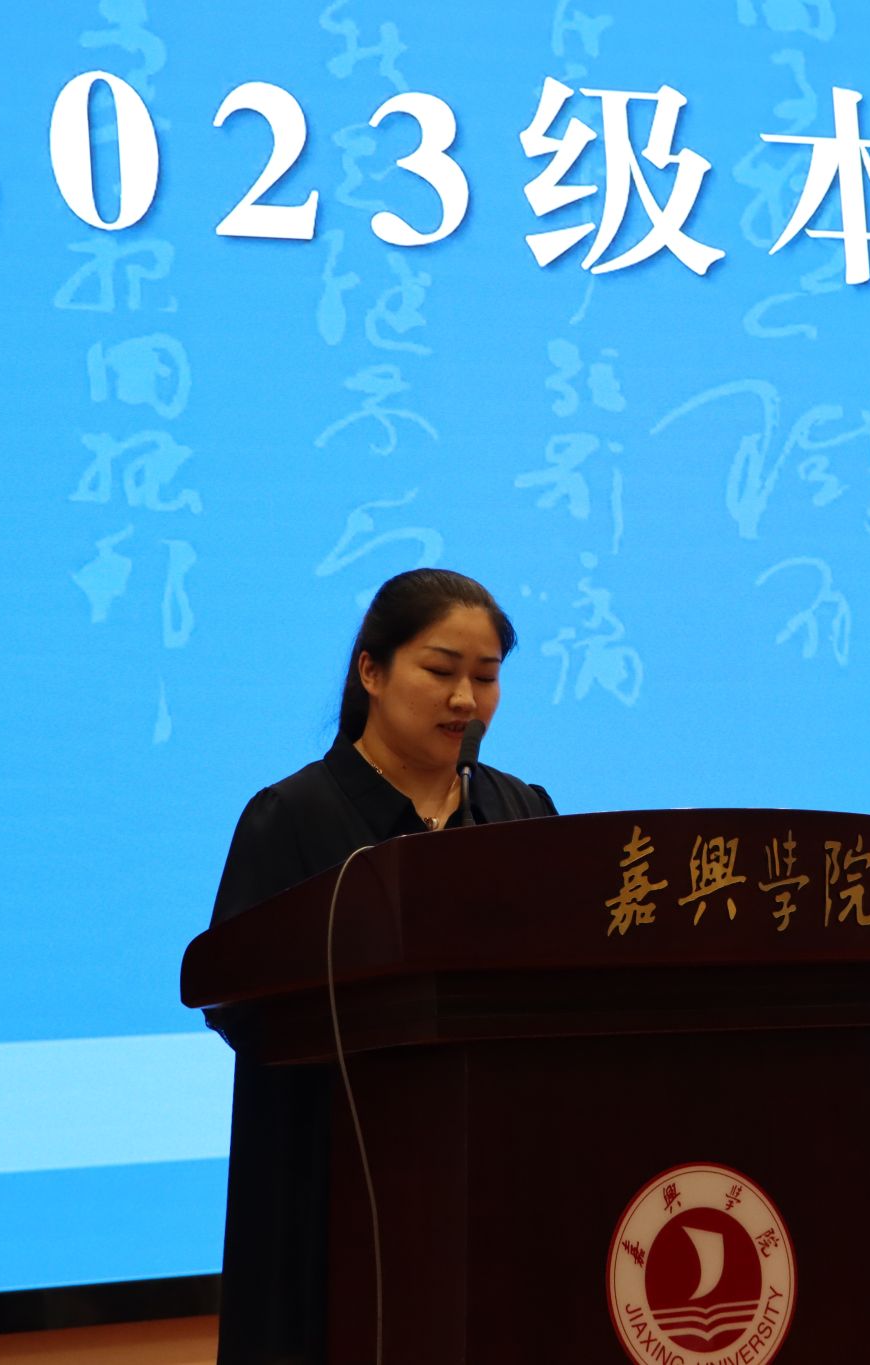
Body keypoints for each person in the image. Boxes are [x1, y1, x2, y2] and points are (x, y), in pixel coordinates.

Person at [206, 568, 556, 1364]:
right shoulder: (290, 817)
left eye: (486, 677)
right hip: (330, 1173)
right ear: (371, 670)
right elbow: (236, 1000)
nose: (465, 699)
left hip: (490, 1174)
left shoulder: (520, 811)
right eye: (441, 671)